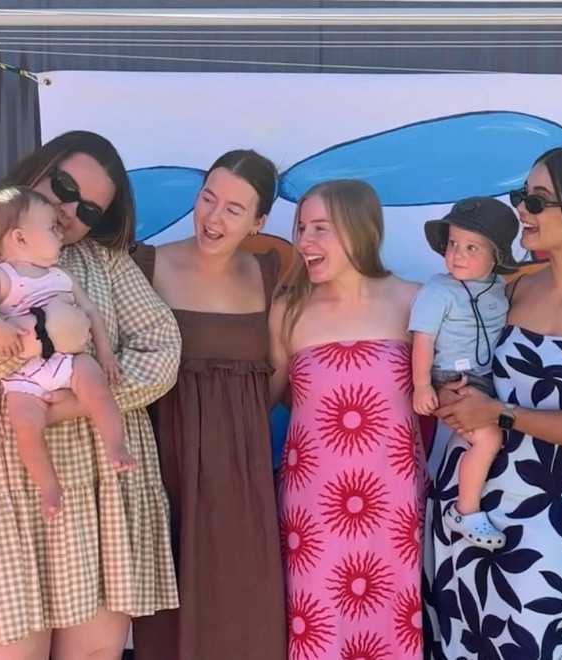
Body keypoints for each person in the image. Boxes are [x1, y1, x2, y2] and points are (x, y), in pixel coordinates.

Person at [0, 131, 181, 659]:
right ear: (38, 168)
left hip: (98, 499)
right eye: (64, 187)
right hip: (2, 497)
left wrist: (68, 405)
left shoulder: (102, 262)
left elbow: (162, 348)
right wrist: (39, 335)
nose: (68, 211)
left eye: (88, 209)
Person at [423, 145, 562, 659]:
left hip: (540, 516)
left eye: (537, 200)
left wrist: (501, 414)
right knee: (451, 643)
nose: (521, 209)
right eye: (521, 195)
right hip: (462, 500)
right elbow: (460, 355)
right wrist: (451, 390)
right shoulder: (515, 288)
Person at [131, 149, 286, 660]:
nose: (213, 217)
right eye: (207, 199)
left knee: (243, 608)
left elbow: (279, 371)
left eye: (233, 209)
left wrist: (234, 427)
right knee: (168, 618)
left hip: (241, 477)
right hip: (165, 467)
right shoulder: (146, 264)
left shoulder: (267, 274)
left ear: (259, 222)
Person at [269, 179, 428, 659]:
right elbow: (267, 400)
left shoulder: (414, 300)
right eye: (301, 228)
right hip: (313, 506)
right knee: (317, 625)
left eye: (320, 228)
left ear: (359, 229)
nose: (305, 241)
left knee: (393, 623)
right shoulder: (287, 311)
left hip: (394, 501)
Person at [0, 186, 136, 519]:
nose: (60, 233)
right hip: (23, 372)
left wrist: (105, 353)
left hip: (68, 360)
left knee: (98, 387)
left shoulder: (62, 276)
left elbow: (90, 313)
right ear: (19, 238)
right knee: (25, 429)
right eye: (51, 228)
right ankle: (48, 485)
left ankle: (115, 444)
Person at [410, 197, 519, 549]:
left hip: (486, 379)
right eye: (453, 244)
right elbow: (423, 339)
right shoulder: (438, 290)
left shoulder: (499, 288)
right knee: (489, 439)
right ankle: (465, 511)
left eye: (471, 247)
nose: (457, 254)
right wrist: (422, 385)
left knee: (491, 437)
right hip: (450, 378)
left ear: (495, 256)